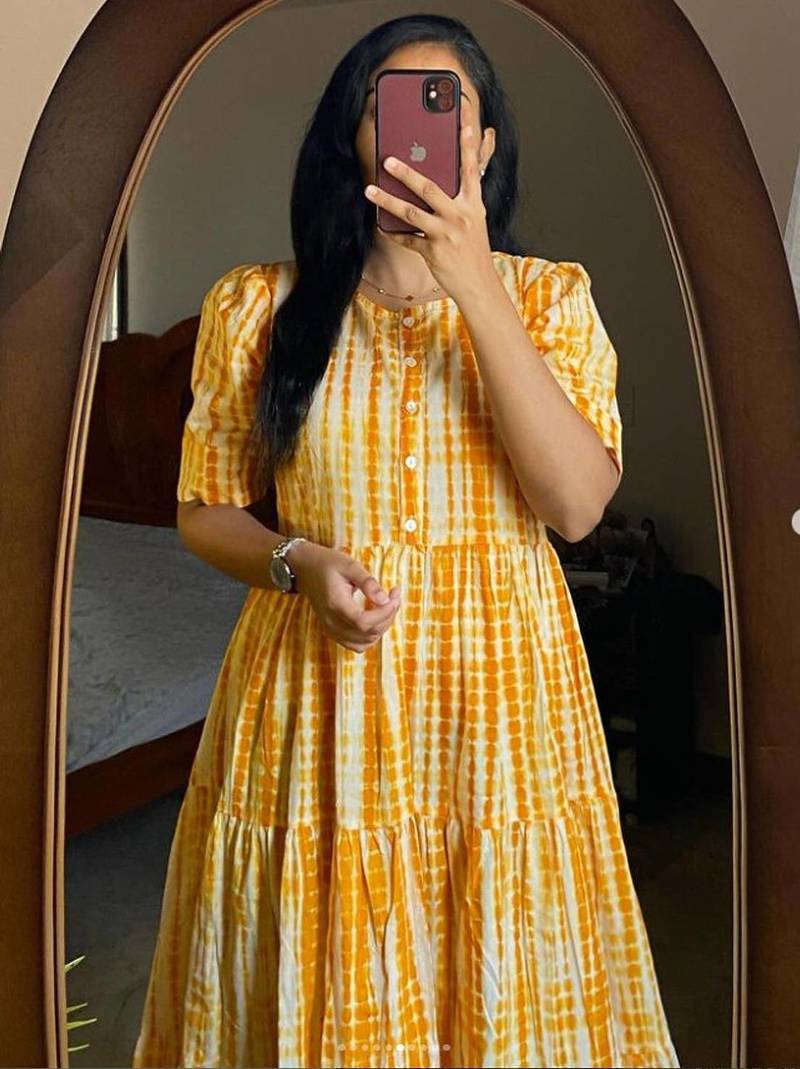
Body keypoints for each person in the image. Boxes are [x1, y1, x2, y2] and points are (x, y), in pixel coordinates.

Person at [133, 13, 679, 1069]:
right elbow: (204, 508)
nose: (416, 135)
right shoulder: (258, 308)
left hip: (501, 714)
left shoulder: (550, 301)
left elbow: (574, 507)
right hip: (315, 703)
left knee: (498, 983)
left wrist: (472, 281)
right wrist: (297, 563)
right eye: (388, 110)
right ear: (352, 138)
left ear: (482, 146)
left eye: (445, 109)